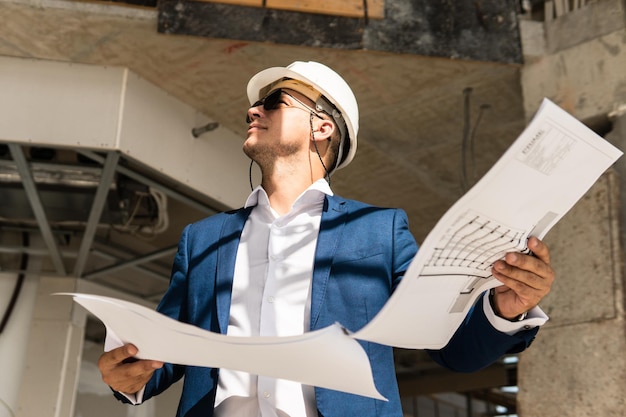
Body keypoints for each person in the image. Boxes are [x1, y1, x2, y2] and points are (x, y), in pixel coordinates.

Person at [98, 61, 555, 417]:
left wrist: (504, 310)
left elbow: (452, 349)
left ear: (322, 126)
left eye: (274, 101)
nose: (253, 110)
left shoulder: (380, 232)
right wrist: (125, 376)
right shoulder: (202, 240)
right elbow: (160, 358)